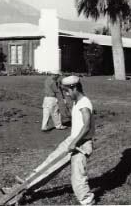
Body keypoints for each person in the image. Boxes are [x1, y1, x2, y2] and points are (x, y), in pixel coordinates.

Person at [30, 75, 95, 205]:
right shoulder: (79, 102)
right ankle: (29, 185)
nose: (66, 94)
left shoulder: (84, 104)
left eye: (67, 91)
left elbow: (87, 126)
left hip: (80, 144)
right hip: (73, 140)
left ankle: (87, 200)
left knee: (78, 176)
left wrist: (75, 142)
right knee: (51, 162)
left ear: (74, 88)